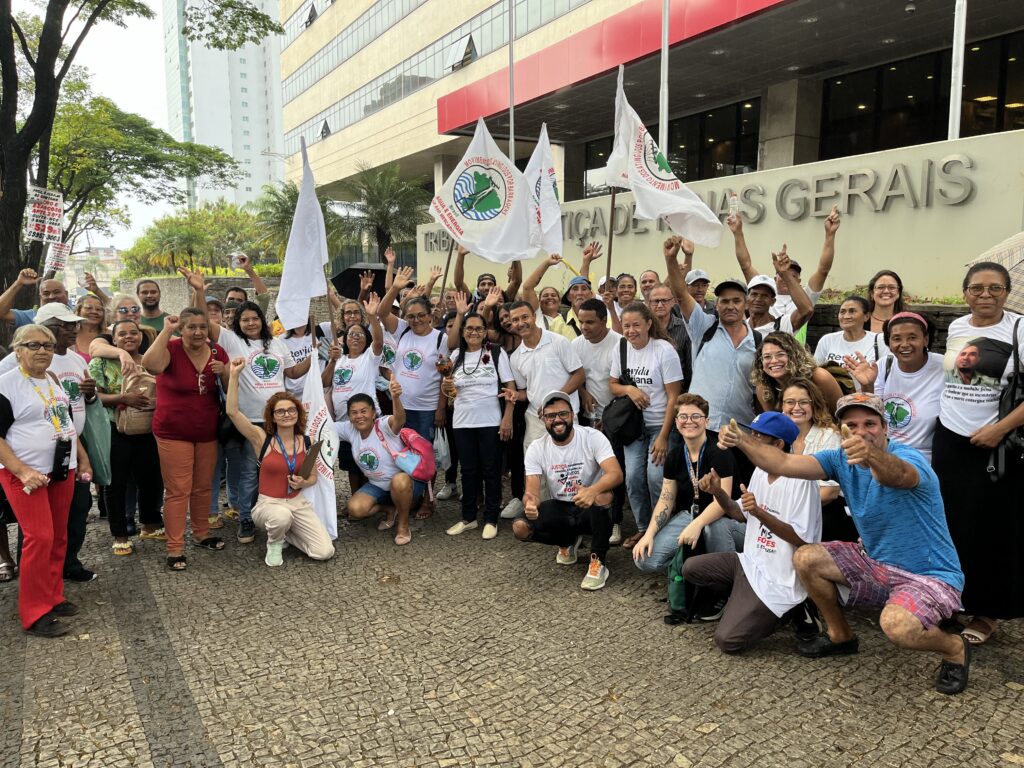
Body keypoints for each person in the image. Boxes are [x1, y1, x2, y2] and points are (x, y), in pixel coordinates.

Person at [719, 394, 970, 695]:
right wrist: (742, 440)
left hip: (928, 575)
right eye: (852, 425)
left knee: (897, 626)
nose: (861, 432)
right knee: (806, 557)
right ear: (841, 431)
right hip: (875, 562)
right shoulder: (839, 459)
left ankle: (954, 648)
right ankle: (841, 636)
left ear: (885, 427)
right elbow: (782, 462)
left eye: (870, 424)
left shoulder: (909, 458)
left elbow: (898, 475)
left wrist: (870, 455)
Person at [933, 261, 1024, 646]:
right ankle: (951, 599)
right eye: (977, 288)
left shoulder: (1019, 329)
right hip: (950, 440)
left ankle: (988, 611)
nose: (985, 295)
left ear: (1006, 292)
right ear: (965, 292)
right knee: (951, 524)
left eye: (994, 288)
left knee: (992, 528)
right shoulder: (957, 326)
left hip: (995, 444)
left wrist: (999, 430)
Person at [685, 411, 822, 653]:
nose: (752, 439)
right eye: (753, 433)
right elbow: (739, 513)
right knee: (690, 568)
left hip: (780, 579)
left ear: (779, 444)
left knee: (728, 641)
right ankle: (742, 598)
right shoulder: (760, 470)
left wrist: (759, 513)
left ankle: (794, 609)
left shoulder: (802, 480)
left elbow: (803, 539)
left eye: (759, 436)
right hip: (749, 563)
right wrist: (718, 492)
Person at [0, 324, 91, 637]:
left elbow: (65, 422)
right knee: (39, 537)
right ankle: (34, 612)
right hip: (26, 474)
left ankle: (52, 596)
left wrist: (82, 457)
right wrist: (22, 471)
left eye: (48, 346)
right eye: (34, 345)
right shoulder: (6, 385)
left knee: (57, 536)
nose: (42, 351)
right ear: (18, 350)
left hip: (61, 469)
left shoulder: (51, 378)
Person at [200, 288, 311, 544]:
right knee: (250, 470)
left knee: (279, 468)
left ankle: (279, 514)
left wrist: (314, 358)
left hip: (278, 419)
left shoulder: (278, 343)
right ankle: (246, 519)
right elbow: (205, 321)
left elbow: (293, 373)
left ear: (262, 320)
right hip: (248, 418)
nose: (251, 323)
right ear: (237, 323)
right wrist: (197, 290)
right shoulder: (232, 341)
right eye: (245, 319)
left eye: (254, 318)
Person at [225, 359, 334, 567]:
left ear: (298, 414)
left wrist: (303, 483)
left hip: (297, 504)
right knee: (281, 516)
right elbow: (232, 412)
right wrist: (234, 375)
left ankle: (286, 534)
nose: (287, 414)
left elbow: (313, 477)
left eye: (291, 410)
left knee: (324, 552)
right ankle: (274, 543)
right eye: (280, 411)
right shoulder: (261, 439)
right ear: (273, 417)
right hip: (268, 504)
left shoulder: (308, 441)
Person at [142, 311, 229, 571]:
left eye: (203, 327)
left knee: (202, 487)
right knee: (178, 490)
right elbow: (151, 365)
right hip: (173, 432)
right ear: (182, 328)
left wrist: (224, 372)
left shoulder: (217, 352)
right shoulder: (170, 348)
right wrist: (167, 331)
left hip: (207, 431)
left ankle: (201, 533)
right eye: (191, 327)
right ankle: (175, 547)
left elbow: (229, 386)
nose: (198, 332)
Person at [514, 391, 623, 591]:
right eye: (551, 416)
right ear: (543, 419)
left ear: (573, 415)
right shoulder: (537, 447)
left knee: (603, 496)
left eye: (563, 414)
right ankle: (567, 542)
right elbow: (532, 491)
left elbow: (615, 474)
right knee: (520, 527)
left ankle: (598, 561)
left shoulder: (592, 437)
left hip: (591, 508)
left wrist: (592, 491)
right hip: (561, 507)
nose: (557, 420)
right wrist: (530, 503)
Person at [664, 237, 759, 435]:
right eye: (724, 301)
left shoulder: (757, 341)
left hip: (740, 432)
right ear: (716, 305)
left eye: (736, 301)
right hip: (701, 428)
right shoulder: (704, 327)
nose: (730, 306)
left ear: (747, 304)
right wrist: (671, 259)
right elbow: (681, 294)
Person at [632, 394, 736, 573]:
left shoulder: (720, 453)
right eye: (683, 416)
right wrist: (649, 534)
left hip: (720, 519)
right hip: (689, 515)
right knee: (644, 560)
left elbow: (723, 502)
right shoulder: (674, 455)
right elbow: (666, 499)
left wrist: (698, 524)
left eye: (696, 416)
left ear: (707, 422)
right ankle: (692, 567)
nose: (689, 421)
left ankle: (713, 570)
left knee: (713, 533)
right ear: (676, 422)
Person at [609, 302, 684, 549]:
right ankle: (643, 528)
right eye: (626, 326)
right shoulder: (621, 347)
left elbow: (674, 396)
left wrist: (663, 436)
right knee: (632, 477)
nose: (631, 331)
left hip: (661, 424)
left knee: (655, 478)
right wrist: (630, 390)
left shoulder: (664, 350)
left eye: (636, 325)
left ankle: (661, 529)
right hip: (633, 427)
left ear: (649, 324)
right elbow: (613, 384)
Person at [377, 267, 447, 519]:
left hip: (427, 409)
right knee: (402, 452)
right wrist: (395, 288)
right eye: (411, 316)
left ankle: (428, 499)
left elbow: (445, 375)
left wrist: (440, 409)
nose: (416, 320)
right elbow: (381, 312)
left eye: (421, 316)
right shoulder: (402, 330)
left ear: (430, 315)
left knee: (425, 455)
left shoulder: (440, 340)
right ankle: (409, 496)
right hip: (401, 407)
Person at [89, 319, 164, 555]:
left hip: (148, 427)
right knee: (116, 483)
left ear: (141, 336)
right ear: (113, 339)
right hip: (114, 429)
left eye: (134, 332)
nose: (129, 337)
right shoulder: (100, 362)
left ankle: (150, 524)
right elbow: (92, 397)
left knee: (150, 478)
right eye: (122, 334)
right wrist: (122, 399)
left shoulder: (150, 361)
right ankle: (120, 535)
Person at [442, 300, 515, 539]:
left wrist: (507, 417)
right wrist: (448, 388)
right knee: (468, 470)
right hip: (462, 422)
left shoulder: (495, 353)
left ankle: (491, 518)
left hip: (490, 421)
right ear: (463, 332)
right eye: (469, 328)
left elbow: (510, 388)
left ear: (485, 332)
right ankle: (469, 518)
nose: (473, 332)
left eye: (478, 329)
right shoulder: (456, 355)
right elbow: (452, 393)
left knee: (491, 470)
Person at [729, 205, 840, 344]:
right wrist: (737, 233)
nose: (759, 298)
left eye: (793, 276)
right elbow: (746, 265)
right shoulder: (764, 289)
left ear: (799, 281)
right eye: (781, 275)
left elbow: (823, 270)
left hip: (791, 353)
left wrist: (830, 235)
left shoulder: (804, 298)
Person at [845, 312, 943, 460]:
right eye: (897, 339)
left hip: (924, 459)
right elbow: (870, 414)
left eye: (912, 337)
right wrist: (867, 385)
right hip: (884, 453)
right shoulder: (884, 365)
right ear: (889, 344)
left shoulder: (944, 367)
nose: (904, 344)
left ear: (925, 340)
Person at [336, 382, 422, 546]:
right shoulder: (349, 429)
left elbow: (399, 419)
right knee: (355, 509)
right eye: (354, 412)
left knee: (399, 480)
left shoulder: (383, 425)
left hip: (405, 484)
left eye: (364, 411)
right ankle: (390, 509)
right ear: (349, 416)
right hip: (377, 486)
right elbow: (323, 428)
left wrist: (395, 398)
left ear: (373, 412)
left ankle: (403, 525)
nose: (359, 416)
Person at [571, 298, 625, 544]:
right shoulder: (576, 344)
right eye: (581, 322)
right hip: (587, 419)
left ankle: (615, 521)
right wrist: (583, 393)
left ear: (604, 321)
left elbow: (625, 384)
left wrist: (609, 417)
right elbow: (574, 375)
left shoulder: (619, 344)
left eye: (590, 322)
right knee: (588, 471)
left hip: (615, 420)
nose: (584, 327)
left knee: (613, 471)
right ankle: (587, 521)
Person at [506, 300, 585, 470]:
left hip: (565, 415)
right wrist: (517, 395)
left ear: (534, 317)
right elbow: (526, 392)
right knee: (535, 466)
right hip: (536, 419)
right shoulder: (515, 358)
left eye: (525, 317)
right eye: (515, 320)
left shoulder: (558, 342)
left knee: (570, 466)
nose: (521, 323)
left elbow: (579, 374)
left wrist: (555, 400)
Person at [779, 379, 855, 542]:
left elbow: (830, 492)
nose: (796, 408)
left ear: (814, 405)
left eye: (803, 402)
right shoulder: (780, 439)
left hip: (829, 513)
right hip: (792, 512)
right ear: (782, 406)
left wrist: (787, 510)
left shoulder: (829, 436)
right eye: (790, 402)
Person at [752, 331, 843, 415]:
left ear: (794, 356)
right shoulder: (763, 387)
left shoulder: (819, 377)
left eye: (780, 354)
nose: (774, 361)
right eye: (767, 357)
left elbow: (842, 416)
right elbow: (774, 422)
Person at [813, 296, 887, 388]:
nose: (846, 316)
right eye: (842, 312)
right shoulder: (827, 340)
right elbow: (815, 372)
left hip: (867, 394)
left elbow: (886, 376)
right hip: (832, 395)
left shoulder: (880, 340)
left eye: (852, 311)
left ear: (866, 316)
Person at [522, 254, 576, 340]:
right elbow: (527, 287)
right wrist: (547, 263)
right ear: (539, 301)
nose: (549, 297)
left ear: (559, 301)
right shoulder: (536, 316)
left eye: (553, 295)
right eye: (545, 295)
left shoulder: (569, 319)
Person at [0, 268, 70, 328]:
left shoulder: (75, 312)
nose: (51, 297)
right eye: (46, 294)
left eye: (56, 292)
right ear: (40, 297)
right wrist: (18, 283)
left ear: (66, 294)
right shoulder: (33, 316)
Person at [73, 294, 106, 362]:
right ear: (78, 311)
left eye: (98, 309)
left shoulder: (111, 335)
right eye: (88, 308)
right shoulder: (69, 335)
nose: (94, 312)